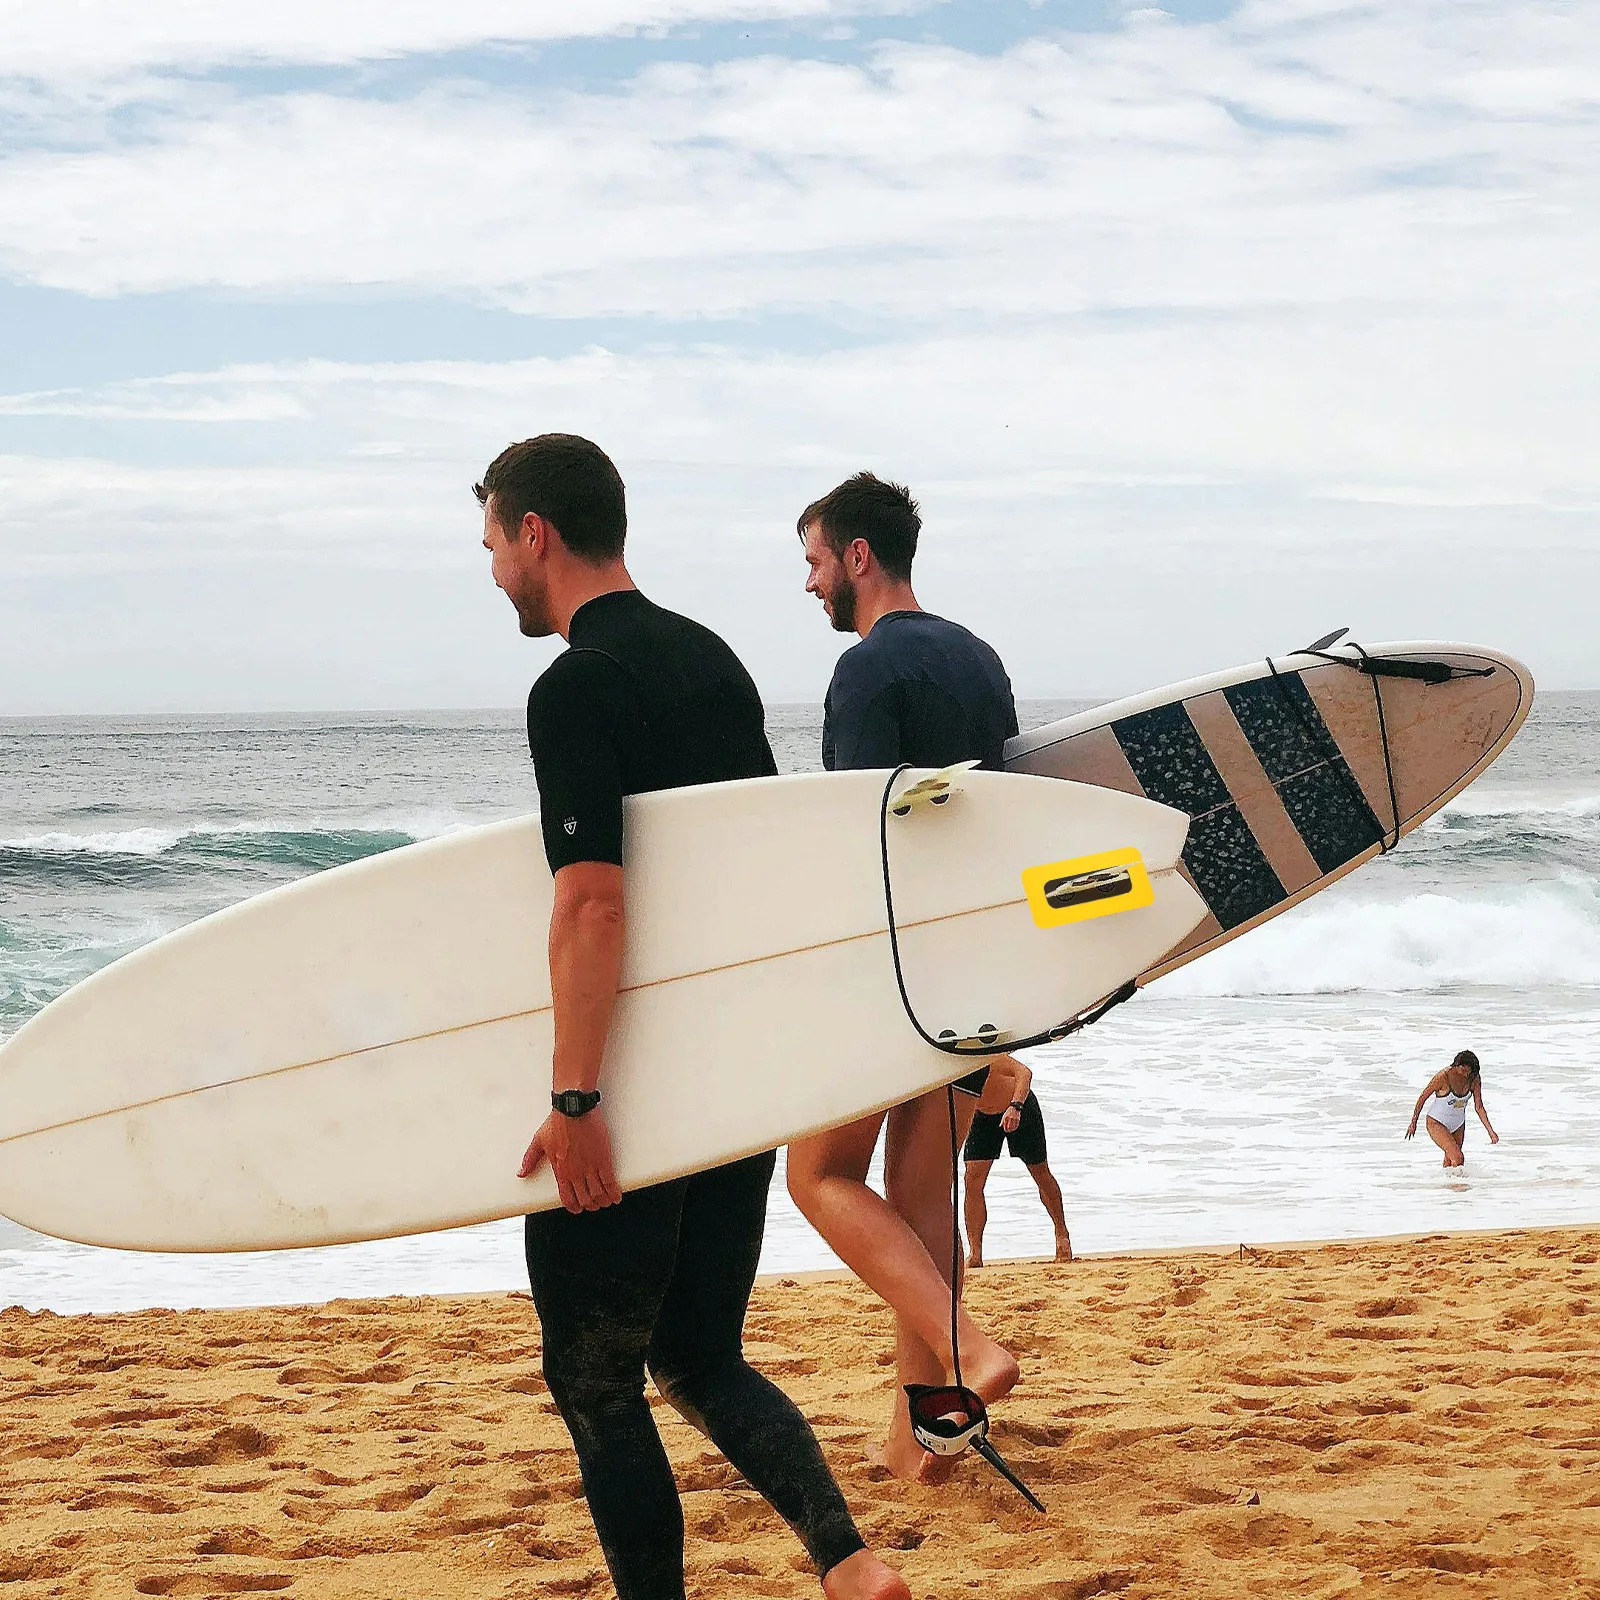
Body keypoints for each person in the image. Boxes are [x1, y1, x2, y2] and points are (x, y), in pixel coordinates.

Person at [478, 435, 909, 1600]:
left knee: (595, 1378)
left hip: (636, 1090)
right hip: (733, 1075)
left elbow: (592, 898)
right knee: (697, 1351)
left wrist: (575, 1100)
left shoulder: (574, 687)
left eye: (492, 545)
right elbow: (752, 876)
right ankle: (849, 1562)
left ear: (535, 534)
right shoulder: (711, 662)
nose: (493, 572)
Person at [784, 470, 1022, 1486]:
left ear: (857, 558)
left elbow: (859, 835)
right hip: (966, 961)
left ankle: (968, 1349)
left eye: (812, 561)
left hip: (890, 965)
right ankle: (923, 1443)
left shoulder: (867, 671)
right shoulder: (978, 659)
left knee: (819, 1175)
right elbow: (1002, 817)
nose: (809, 585)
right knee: (919, 1208)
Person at [961, 1060, 1073, 1269]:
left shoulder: (987, 1056)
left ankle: (1061, 1234)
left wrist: (1016, 1107)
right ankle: (975, 1253)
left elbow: (1024, 1073)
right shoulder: (947, 1066)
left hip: (1019, 1108)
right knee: (972, 1181)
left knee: (1040, 1173)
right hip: (982, 1116)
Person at [1405, 1048, 1499, 1168]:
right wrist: (1414, 1122)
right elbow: (1423, 1097)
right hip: (1436, 1122)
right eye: (1464, 1070)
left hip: (1458, 1124)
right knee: (1458, 1158)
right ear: (1456, 1065)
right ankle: (1459, 1185)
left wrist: (1491, 1132)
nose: (1466, 1075)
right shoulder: (1443, 1076)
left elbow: (1479, 1107)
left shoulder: (1474, 1079)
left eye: (1469, 1072)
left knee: (1450, 1160)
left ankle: (1449, 1184)